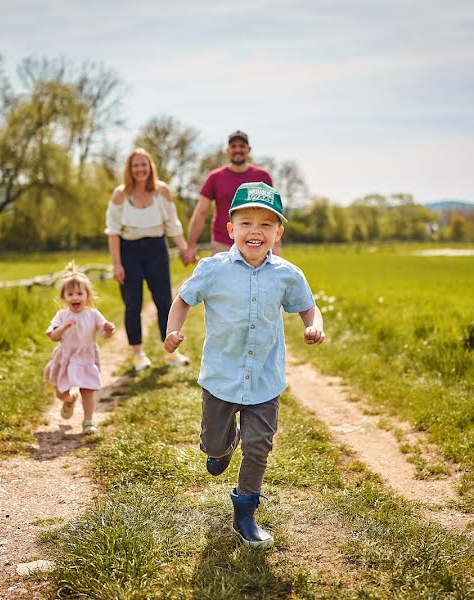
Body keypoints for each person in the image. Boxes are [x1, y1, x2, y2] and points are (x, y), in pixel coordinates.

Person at [164, 182, 325, 548]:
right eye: (247, 222)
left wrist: (314, 325)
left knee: (260, 445)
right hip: (221, 378)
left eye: (266, 225)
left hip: (265, 379)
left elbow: (308, 305)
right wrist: (173, 330)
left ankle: (245, 514)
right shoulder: (213, 269)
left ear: (278, 233)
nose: (256, 231)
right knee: (214, 445)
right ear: (230, 229)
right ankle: (223, 446)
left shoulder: (287, 274)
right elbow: (183, 299)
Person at [106, 148, 194, 372]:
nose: (140, 169)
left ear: (150, 167)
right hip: (129, 251)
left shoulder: (161, 191)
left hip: (156, 248)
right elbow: (113, 231)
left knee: (164, 301)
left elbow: (172, 225)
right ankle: (138, 354)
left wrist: (184, 249)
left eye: (143, 164)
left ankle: (171, 353)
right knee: (132, 303)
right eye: (135, 165)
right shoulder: (120, 194)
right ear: (129, 169)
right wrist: (117, 264)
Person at [44, 262, 116, 435]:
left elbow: (104, 333)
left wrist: (108, 330)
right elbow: (53, 336)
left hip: (86, 357)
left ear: (87, 296)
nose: (75, 297)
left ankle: (88, 421)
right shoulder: (62, 316)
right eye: (70, 294)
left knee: (88, 391)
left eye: (79, 293)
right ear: (64, 298)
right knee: (61, 392)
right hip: (65, 358)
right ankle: (69, 400)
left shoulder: (93, 314)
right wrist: (63, 327)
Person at [182, 130, 273, 263]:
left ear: (249, 149)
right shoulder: (215, 177)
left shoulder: (262, 177)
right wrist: (190, 246)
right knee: (223, 283)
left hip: (255, 242)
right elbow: (200, 212)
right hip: (222, 243)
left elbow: (272, 214)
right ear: (227, 150)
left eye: (242, 146)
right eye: (233, 146)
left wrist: (275, 246)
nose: (238, 150)